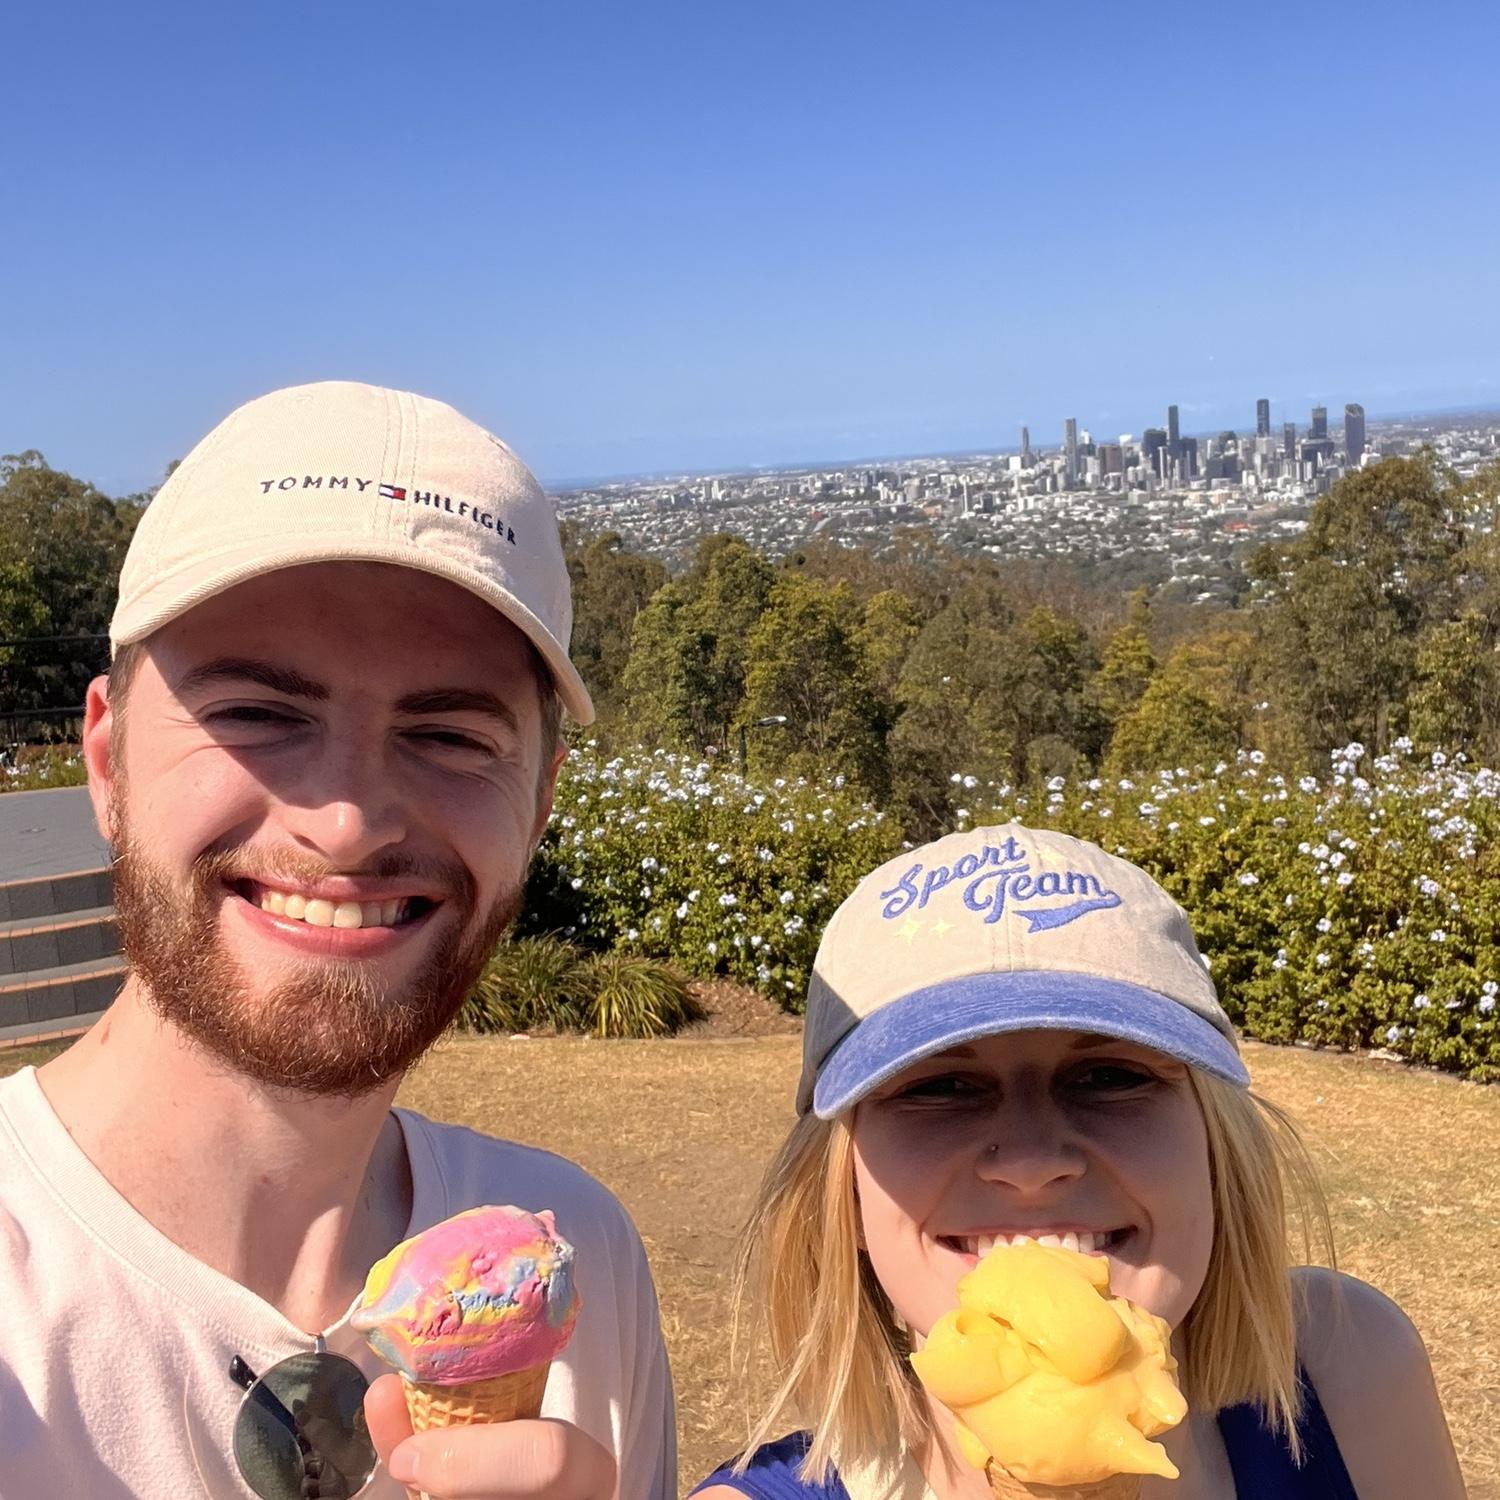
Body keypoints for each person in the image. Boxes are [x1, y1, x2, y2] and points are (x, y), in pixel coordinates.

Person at [0, 382, 675, 1500]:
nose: (349, 821)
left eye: (449, 734)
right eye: (258, 713)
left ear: (538, 806)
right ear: (109, 763)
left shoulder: (579, 1266)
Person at [693, 825, 1465, 1500]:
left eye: (1109, 1076)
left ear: (1215, 1146)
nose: (1032, 1162)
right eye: (939, 1088)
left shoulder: (1347, 1374)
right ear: (845, 1190)